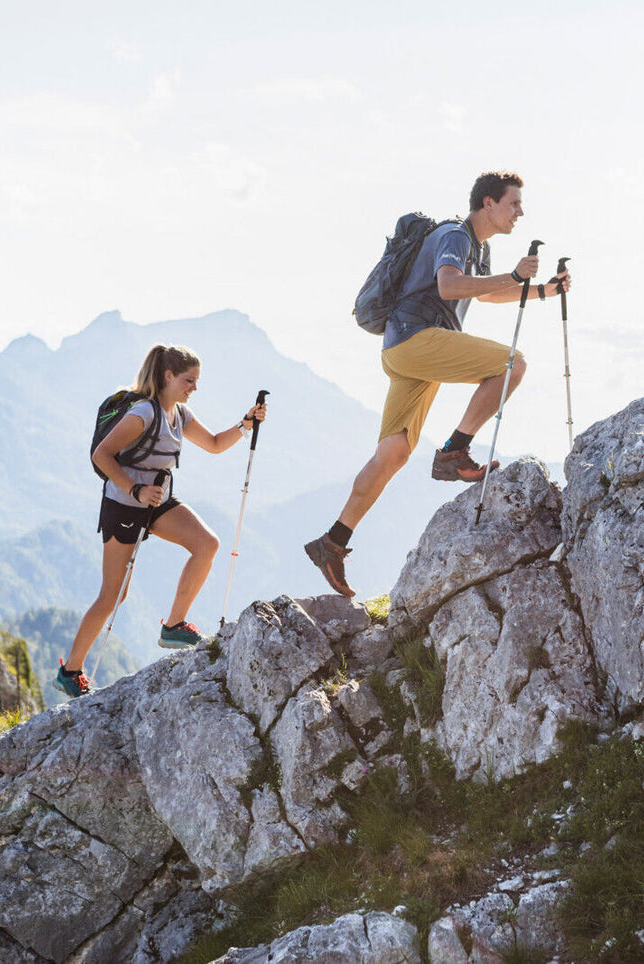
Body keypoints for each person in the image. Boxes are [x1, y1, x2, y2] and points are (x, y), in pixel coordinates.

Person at [304, 171, 571, 597]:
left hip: (404, 350)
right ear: (488, 203)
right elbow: (449, 286)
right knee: (512, 364)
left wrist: (541, 290)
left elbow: (482, 294)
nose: (520, 212)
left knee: (393, 454)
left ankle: (332, 541)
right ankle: (453, 451)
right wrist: (516, 277)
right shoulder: (456, 235)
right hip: (418, 339)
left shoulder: (475, 248)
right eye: (513, 203)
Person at [55, 344, 268, 698]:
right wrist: (135, 490)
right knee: (114, 595)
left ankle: (174, 626)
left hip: (158, 501)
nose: (193, 388)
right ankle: (70, 671)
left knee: (206, 544)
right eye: (189, 380)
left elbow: (214, 444)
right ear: (167, 376)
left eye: (196, 381)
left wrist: (245, 424)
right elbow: (102, 455)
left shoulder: (179, 414)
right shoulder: (142, 413)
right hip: (125, 504)